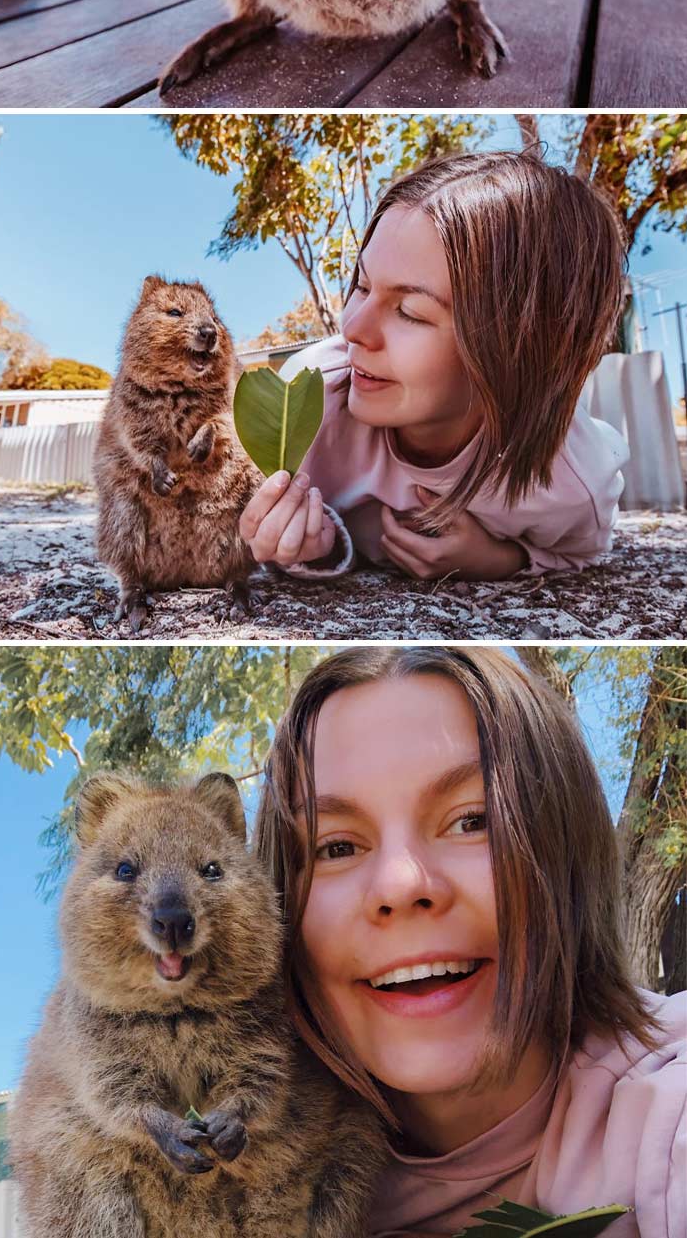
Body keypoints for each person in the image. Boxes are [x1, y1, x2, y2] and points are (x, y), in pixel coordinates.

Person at [254, 644, 686, 1237]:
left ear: (565, 844)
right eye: (336, 847)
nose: (402, 885)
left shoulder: (668, 1118)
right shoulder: (224, 1162)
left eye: (472, 820)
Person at [239, 150, 629, 583]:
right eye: (362, 286)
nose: (353, 328)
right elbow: (258, 536)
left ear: (520, 348)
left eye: (410, 312)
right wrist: (308, 547)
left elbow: (585, 552)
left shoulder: (571, 481)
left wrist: (500, 558)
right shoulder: (309, 406)